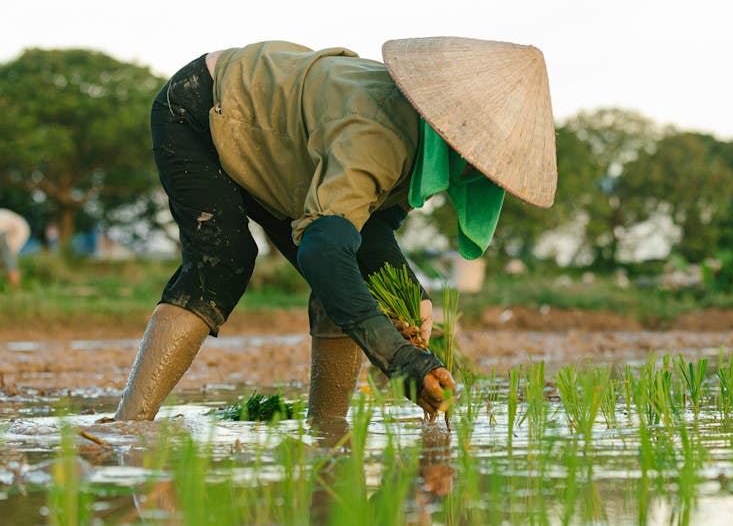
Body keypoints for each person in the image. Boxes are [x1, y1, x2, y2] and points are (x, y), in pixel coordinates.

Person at [114, 38, 557, 422]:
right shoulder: (378, 134)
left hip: (286, 155)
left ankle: (326, 429)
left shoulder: (423, 146)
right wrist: (400, 360)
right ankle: (127, 425)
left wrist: (409, 299)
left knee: (358, 280)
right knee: (223, 261)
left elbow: (368, 235)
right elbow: (324, 253)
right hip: (207, 109)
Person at [0, 208, 30, 290]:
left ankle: (14, 289)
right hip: (9, 230)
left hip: (14, 231)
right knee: (6, 260)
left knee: (8, 259)